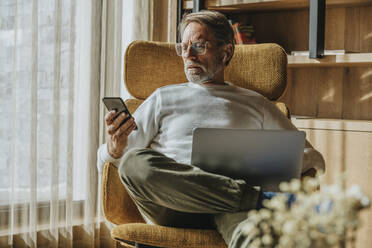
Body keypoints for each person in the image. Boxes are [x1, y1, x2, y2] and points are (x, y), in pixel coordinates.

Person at [97, 10, 325, 247]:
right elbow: (115, 163)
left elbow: (312, 160)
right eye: (183, 47)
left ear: (226, 52)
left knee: (255, 239)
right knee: (133, 162)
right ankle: (257, 199)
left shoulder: (257, 104)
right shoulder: (163, 98)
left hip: (232, 210)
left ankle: (247, 199)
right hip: (173, 206)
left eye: (199, 46)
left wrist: (270, 167)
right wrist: (113, 149)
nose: (188, 55)